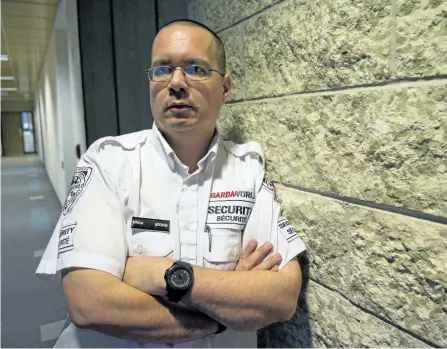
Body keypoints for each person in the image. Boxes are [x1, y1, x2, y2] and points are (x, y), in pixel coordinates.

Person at [36, 19, 306, 348]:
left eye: (196, 68)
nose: (176, 82)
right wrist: (225, 309)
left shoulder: (247, 169)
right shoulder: (107, 162)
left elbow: (281, 297)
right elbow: (88, 302)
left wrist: (162, 275)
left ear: (225, 87)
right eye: (162, 69)